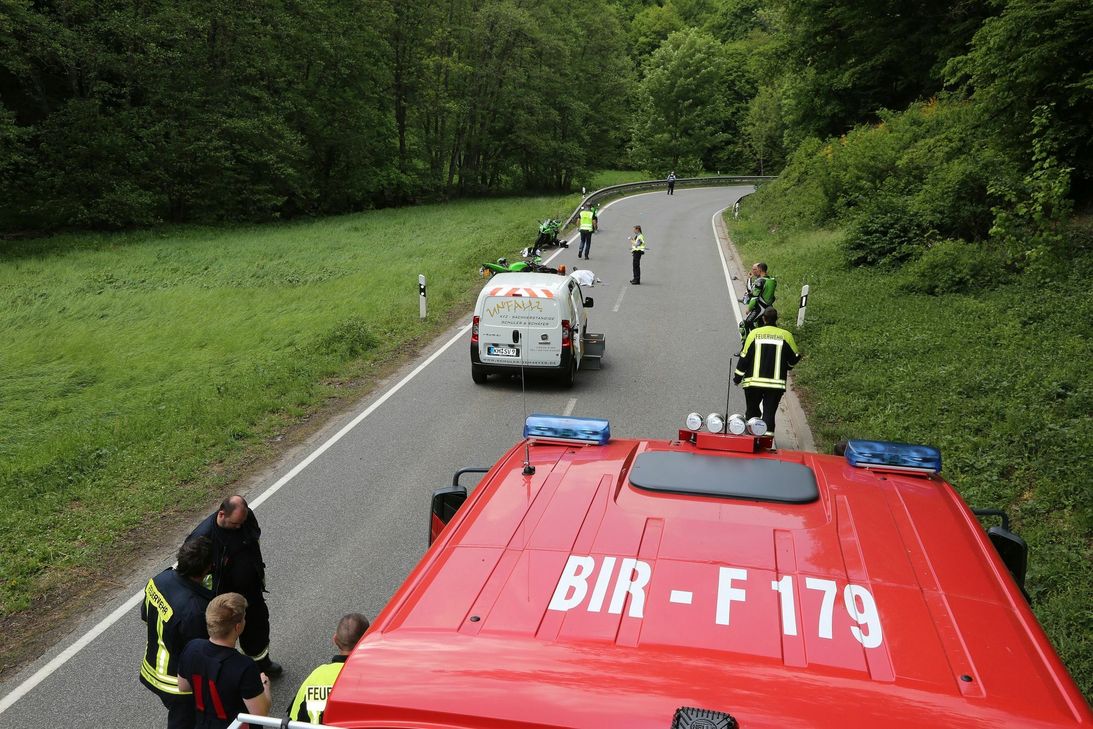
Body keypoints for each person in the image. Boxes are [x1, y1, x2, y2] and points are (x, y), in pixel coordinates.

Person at [187, 495, 281, 677]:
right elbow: (193, 573)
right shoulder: (202, 538)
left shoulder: (245, 517)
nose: (239, 527)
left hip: (250, 591)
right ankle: (229, 679)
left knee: (258, 628)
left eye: (241, 523)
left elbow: (254, 538)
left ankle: (261, 663)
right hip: (221, 600)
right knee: (222, 640)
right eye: (235, 524)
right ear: (222, 514)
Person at [140, 537, 215, 729]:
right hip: (175, 683)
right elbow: (197, 653)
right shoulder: (194, 610)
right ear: (206, 569)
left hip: (151, 666)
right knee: (184, 722)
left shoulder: (158, 580)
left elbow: (145, 614)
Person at [178, 593, 271, 729]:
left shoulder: (192, 648)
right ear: (237, 627)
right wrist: (265, 687)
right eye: (244, 618)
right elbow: (261, 715)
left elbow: (183, 687)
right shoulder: (244, 666)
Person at [287, 614, 370, 724]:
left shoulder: (317, 677)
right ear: (367, 640)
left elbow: (294, 719)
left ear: (335, 639)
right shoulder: (374, 677)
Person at [733, 307, 801, 439]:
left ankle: (751, 439)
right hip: (775, 385)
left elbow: (744, 358)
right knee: (769, 413)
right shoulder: (786, 335)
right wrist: (788, 366)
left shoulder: (754, 334)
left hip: (753, 383)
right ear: (776, 319)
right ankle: (767, 442)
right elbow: (795, 357)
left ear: (763, 319)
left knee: (752, 411)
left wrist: (737, 378)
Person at [739, 262, 777, 339]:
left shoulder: (760, 281)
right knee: (762, 326)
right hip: (769, 308)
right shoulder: (771, 280)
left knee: (744, 324)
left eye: (755, 269)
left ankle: (746, 347)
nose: (753, 271)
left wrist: (749, 308)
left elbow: (753, 295)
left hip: (760, 308)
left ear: (760, 269)